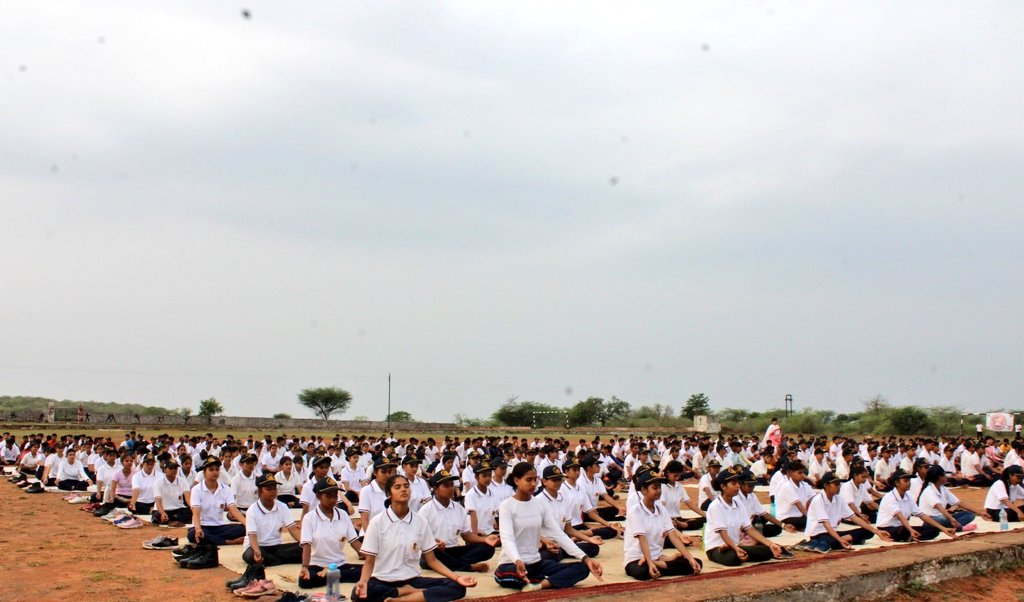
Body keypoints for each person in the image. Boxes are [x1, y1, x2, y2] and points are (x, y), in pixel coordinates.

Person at [352, 474, 477, 602]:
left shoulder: (420, 521)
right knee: (358, 593)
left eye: (406, 486)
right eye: (397, 487)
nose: (403, 489)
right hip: (383, 580)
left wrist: (457, 578)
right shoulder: (377, 522)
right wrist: (363, 581)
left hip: (412, 580)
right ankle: (404, 592)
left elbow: (432, 560)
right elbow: (369, 561)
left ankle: (403, 599)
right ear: (389, 494)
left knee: (457, 587)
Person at [493, 462, 603, 593]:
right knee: (528, 574)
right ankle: (547, 580)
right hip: (511, 564)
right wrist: (517, 560)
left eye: (535, 479)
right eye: (528, 480)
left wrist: (585, 558)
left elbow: (558, 533)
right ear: (517, 480)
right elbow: (507, 538)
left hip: (536, 562)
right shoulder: (507, 506)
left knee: (583, 568)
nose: (533, 484)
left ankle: (540, 585)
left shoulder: (539, 504)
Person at [623, 469, 702, 581]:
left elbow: (673, 535)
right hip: (637, 559)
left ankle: (660, 565)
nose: (659, 491)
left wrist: (690, 558)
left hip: (658, 558)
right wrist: (649, 562)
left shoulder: (661, 509)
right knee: (642, 572)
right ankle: (662, 564)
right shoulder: (635, 511)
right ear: (644, 490)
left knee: (697, 562)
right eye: (655, 488)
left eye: (660, 487)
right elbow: (642, 539)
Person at [417, 468, 499, 573]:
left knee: (488, 548)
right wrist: (434, 543)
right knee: (433, 553)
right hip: (434, 551)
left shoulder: (459, 508)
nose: (451, 488)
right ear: (436, 489)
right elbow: (419, 539)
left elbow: (467, 536)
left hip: (453, 550)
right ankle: (468, 567)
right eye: (446, 486)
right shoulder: (426, 510)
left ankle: (456, 564)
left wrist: (485, 539)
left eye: (452, 485)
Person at [704, 468, 787, 566]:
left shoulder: (738, 503)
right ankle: (734, 551)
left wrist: (770, 544)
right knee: (733, 558)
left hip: (734, 546)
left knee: (768, 551)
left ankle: (736, 551)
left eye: (738, 483)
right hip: (716, 548)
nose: (738, 486)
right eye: (733, 483)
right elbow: (723, 533)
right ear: (723, 486)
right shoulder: (715, 506)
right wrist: (736, 548)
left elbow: (749, 529)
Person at [801, 472, 892, 553]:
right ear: (826, 485)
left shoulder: (839, 499)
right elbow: (826, 525)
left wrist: (877, 531)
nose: (839, 487)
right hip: (818, 534)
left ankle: (831, 542)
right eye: (836, 484)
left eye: (839, 484)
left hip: (833, 533)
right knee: (829, 539)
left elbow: (854, 518)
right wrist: (840, 540)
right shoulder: (818, 500)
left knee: (868, 532)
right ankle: (830, 542)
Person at [299, 477, 364, 589]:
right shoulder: (309, 518)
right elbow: (306, 545)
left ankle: (333, 574)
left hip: (339, 564)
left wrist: (372, 559)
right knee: (305, 581)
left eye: (335, 496)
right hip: (317, 565)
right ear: (318, 496)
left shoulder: (343, 515)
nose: (333, 500)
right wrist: (305, 566)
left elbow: (354, 542)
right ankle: (336, 575)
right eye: (328, 496)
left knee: (369, 571)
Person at [875, 469, 955, 542]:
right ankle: (910, 535)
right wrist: (910, 530)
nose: (909, 483)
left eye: (909, 480)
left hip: (903, 527)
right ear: (897, 483)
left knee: (934, 530)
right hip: (887, 528)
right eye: (905, 481)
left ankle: (911, 536)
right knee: (904, 531)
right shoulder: (890, 497)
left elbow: (922, 515)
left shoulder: (908, 496)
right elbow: (900, 516)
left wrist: (943, 528)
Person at [242, 474, 303, 568]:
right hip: (257, 547)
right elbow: (252, 535)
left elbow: (293, 529)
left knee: (303, 549)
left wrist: (304, 543)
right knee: (252, 555)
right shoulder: (252, 510)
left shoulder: (282, 507)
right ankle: (278, 559)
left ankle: (274, 560)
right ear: (260, 491)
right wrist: (257, 551)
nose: (273, 492)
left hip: (276, 547)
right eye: (269, 489)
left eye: (274, 488)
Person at [188, 457, 247, 546]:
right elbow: (196, 512)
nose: (215, 472)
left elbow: (233, 509)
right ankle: (228, 542)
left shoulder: (226, 489)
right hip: (203, 526)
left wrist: (247, 524)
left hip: (220, 527)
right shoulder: (197, 489)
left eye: (217, 469)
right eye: (211, 470)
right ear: (204, 472)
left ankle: (213, 540)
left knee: (243, 528)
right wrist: (198, 528)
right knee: (193, 534)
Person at [919, 465, 986, 531]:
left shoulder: (943, 489)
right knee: (942, 519)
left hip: (943, 516)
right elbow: (939, 507)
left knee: (970, 515)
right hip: (932, 518)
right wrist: (950, 518)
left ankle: (950, 526)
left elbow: (958, 502)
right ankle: (956, 527)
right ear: (940, 477)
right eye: (944, 474)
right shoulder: (929, 490)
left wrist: (979, 512)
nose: (946, 477)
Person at [357, 456, 397, 533]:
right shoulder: (366, 491)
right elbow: (365, 520)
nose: (387, 475)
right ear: (375, 473)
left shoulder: (393, 490)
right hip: (372, 534)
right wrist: (370, 537)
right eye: (383, 472)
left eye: (389, 472)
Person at [774, 462, 814, 531]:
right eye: (800, 473)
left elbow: (814, 499)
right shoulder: (787, 486)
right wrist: (811, 518)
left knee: (819, 519)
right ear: (791, 473)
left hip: (799, 516)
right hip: (786, 517)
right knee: (814, 521)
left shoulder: (805, 485)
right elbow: (799, 505)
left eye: (803, 473)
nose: (803, 475)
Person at [153, 457, 191, 526]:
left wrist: (193, 508)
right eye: (171, 468)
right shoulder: (158, 483)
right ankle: (175, 519)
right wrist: (162, 513)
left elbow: (187, 497)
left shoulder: (182, 481)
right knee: (157, 515)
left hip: (178, 509)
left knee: (190, 511)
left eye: (175, 468)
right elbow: (158, 501)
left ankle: (172, 520)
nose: (173, 470)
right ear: (165, 469)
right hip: (164, 509)